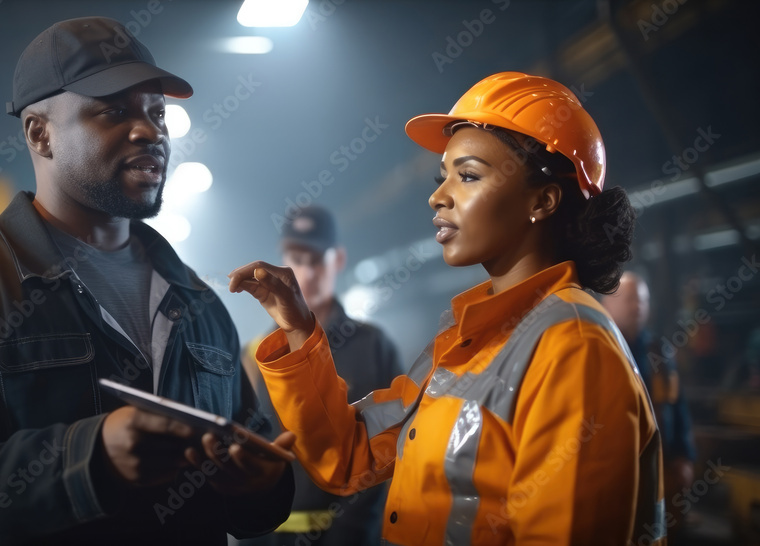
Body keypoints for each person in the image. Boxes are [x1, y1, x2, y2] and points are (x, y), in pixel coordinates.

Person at [0, 17, 293, 546]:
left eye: (156, 112)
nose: (150, 131)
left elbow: (251, 482)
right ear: (39, 133)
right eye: (114, 110)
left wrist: (264, 486)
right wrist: (87, 459)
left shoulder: (199, 303)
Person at [229, 72, 667, 545]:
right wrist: (298, 330)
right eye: (444, 177)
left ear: (542, 200)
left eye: (469, 175)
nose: (438, 196)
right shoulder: (468, 341)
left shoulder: (574, 347)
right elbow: (350, 455)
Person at [239, 206, 403, 546]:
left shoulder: (374, 346)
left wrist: (350, 535)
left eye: (315, 260)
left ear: (338, 260)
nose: (305, 273)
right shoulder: (257, 355)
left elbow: (392, 447)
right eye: (295, 259)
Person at [602, 271, 696, 535]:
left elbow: (678, 406)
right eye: (631, 299)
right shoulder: (602, 347)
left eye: (643, 300)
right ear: (608, 303)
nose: (638, 306)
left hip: (662, 466)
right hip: (618, 470)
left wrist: (684, 455)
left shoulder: (660, 352)